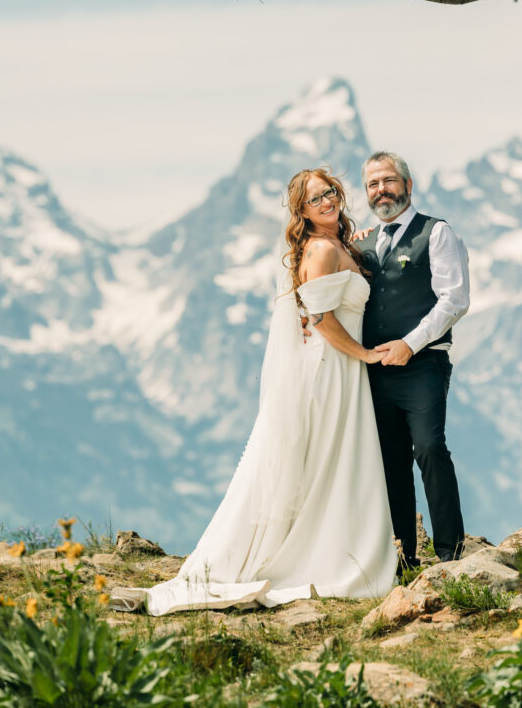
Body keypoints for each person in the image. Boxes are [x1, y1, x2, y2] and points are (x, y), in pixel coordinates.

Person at [109, 168, 397, 614]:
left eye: (331, 192)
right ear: (301, 210)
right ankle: (309, 555)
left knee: (329, 464)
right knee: (324, 462)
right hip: (330, 368)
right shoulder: (320, 249)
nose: (326, 201)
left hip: (340, 368)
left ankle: (327, 543)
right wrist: (362, 355)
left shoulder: (337, 244)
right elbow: (319, 319)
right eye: (315, 198)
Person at [357, 151, 470, 567]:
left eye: (388, 181)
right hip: (373, 368)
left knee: (429, 448)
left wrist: (411, 343)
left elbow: (455, 300)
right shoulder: (363, 244)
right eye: (372, 183)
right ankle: (402, 559)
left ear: (408, 185)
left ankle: (451, 554)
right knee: (389, 459)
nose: (381, 189)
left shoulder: (437, 233)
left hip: (423, 364)